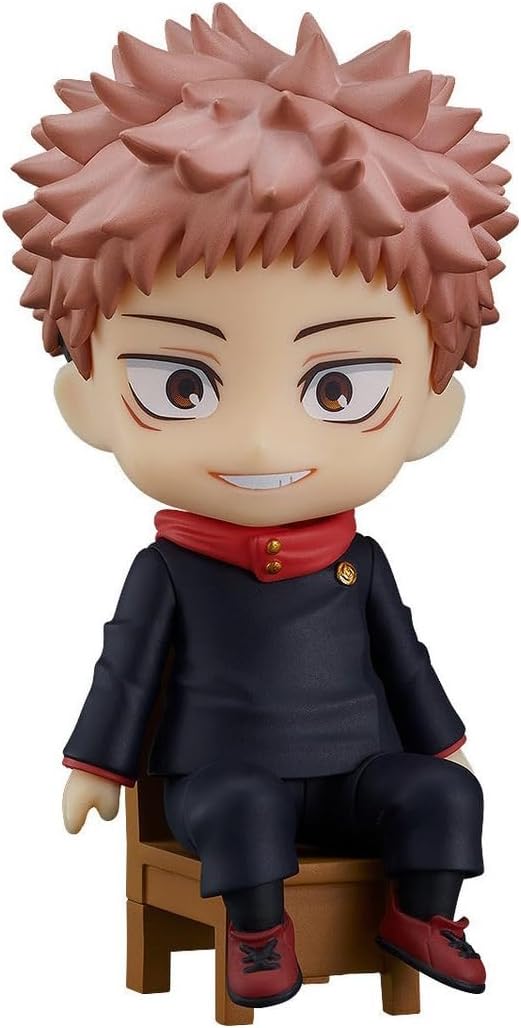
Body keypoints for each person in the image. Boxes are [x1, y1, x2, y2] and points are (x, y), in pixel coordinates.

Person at [5, 3, 517, 1010]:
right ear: (87, 400)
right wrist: (96, 766)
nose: (259, 444)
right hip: (219, 779)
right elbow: (126, 666)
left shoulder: (359, 561)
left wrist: (442, 740)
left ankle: (423, 913)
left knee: (443, 793)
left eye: (339, 387)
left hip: (358, 772)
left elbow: (402, 656)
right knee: (240, 807)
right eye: (180, 384)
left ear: (429, 410)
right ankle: (255, 929)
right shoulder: (170, 568)